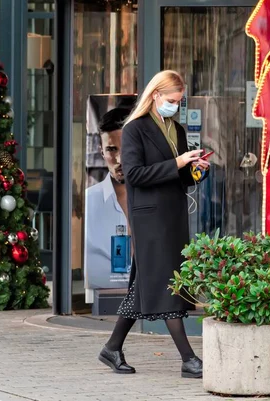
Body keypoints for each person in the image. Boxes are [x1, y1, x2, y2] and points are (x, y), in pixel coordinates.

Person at [98, 70, 209, 379]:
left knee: (144, 286)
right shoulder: (135, 129)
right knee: (165, 283)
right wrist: (177, 162)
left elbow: (183, 181)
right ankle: (188, 359)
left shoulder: (177, 129)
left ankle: (112, 348)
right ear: (156, 95)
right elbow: (134, 175)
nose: (176, 105)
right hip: (150, 219)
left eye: (180, 100)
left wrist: (196, 170)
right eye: (172, 100)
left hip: (172, 216)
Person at [84, 107, 132, 290]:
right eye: (111, 149)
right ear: (101, 151)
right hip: (101, 303)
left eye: (126, 148)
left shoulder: (158, 200)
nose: (119, 159)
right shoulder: (88, 203)